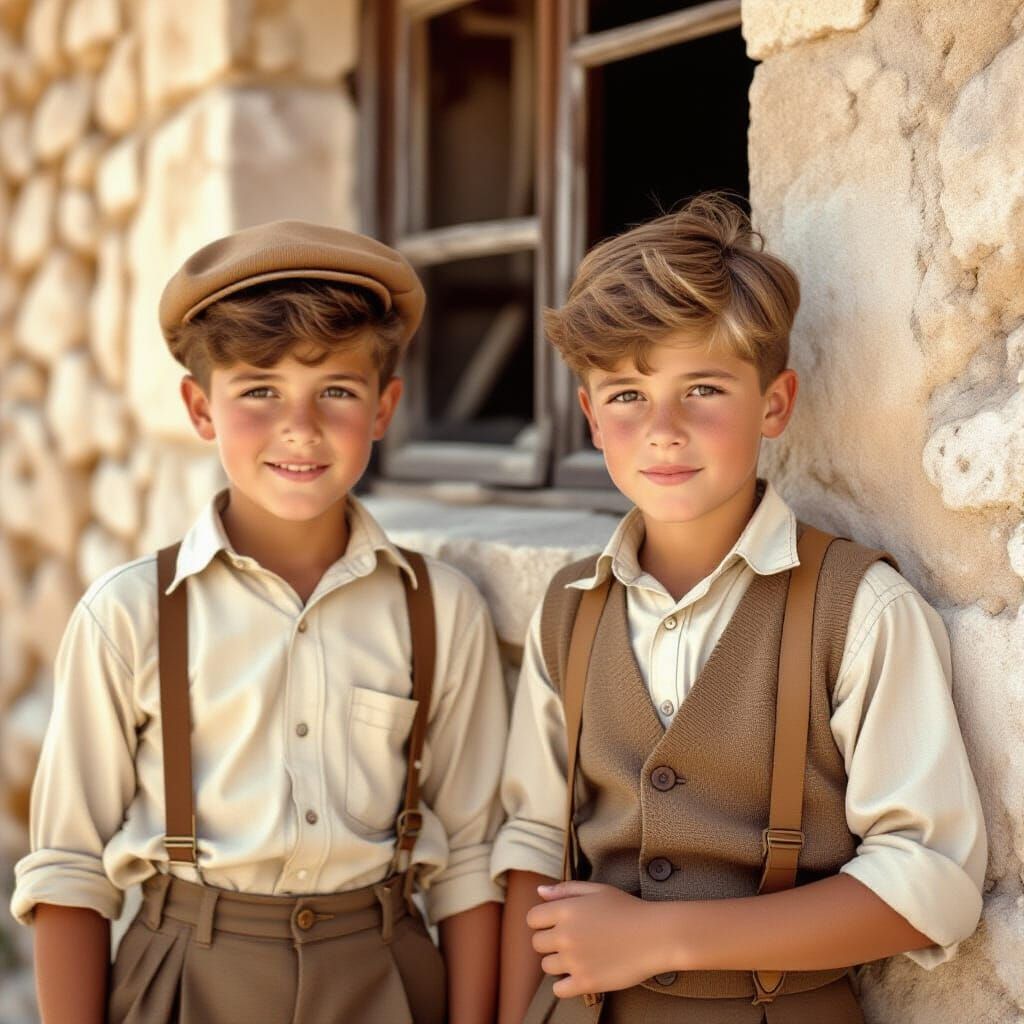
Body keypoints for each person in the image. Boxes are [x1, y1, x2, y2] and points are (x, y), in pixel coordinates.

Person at [492, 194, 986, 1024]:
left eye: (704, 389)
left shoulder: (861, 610)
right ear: (589, 417)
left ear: (774, 404)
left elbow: (929, 884)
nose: (663, 430)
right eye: (626, 397)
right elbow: (533, 847)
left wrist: (664, 939)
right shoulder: (569, 610)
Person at [12, 221, 506, 1024]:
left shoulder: (440, 610)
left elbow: (473, 860)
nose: (299, 428)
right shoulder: (129, 614)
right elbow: (69, 869)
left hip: (384, 974)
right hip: (185, 975)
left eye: (336, 392)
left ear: (384, 407)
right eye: (259, 391)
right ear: (201, 409)